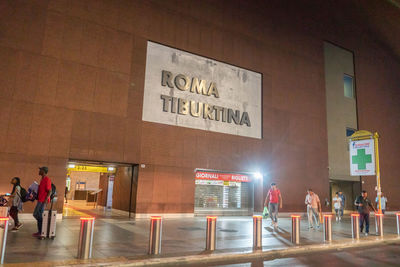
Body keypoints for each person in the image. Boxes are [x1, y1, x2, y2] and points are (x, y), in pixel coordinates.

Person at [32, 167, 52, 238]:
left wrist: (46, 200)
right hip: (40, 199)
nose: (39, 171)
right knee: (38, 214)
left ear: (43, 171)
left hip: (43, 200)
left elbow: (50, 191)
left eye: (40, 170)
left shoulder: (47, 179)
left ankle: (43, 229)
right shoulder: (42, 179)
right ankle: (40, 231)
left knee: (36, 214)